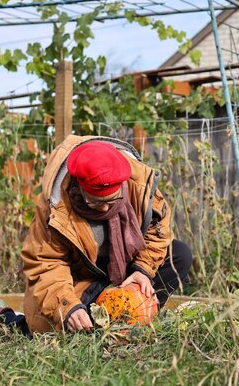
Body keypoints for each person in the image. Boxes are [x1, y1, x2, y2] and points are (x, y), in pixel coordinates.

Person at [21, 135, 192, 333]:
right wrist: (69, 307)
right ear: (78, 187)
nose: (104, 210)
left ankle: (136, 319)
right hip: (81, 281)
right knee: (62, 323)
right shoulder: (55, 208)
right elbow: (46, 264)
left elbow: (157, 232)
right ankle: (12, 322)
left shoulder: (139, 184)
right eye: (94, 202)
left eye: (112, 202)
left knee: (179, 255)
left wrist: (142, 270)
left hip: (127, 268)